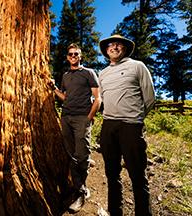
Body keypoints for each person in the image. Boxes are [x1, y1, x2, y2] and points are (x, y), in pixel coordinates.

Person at [98, 35, 155, 216]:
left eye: (118, 44)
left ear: (124, 48)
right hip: (108, 127)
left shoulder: (137, 66)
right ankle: (115, 212)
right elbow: (101, 100)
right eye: (110, 45)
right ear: (106, 51)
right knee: (112, 174)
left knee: (138, 176)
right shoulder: (102, 73)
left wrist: (135, 118)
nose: (114, 47)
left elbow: (150, 98)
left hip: (131, 127)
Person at [50, 43, 101, 213]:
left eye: (76, 54)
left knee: (82, 154)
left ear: (80, 56)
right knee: (71, 155)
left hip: (82, 118)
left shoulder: (88, 73)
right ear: (67, 57)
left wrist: (89, 118)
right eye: (70, 54)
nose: (73, 56)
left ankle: (81, 192)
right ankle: (77, 188)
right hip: (66, 117)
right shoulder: (65, 76)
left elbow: (98, 98)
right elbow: (65, 97)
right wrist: (54, 88)